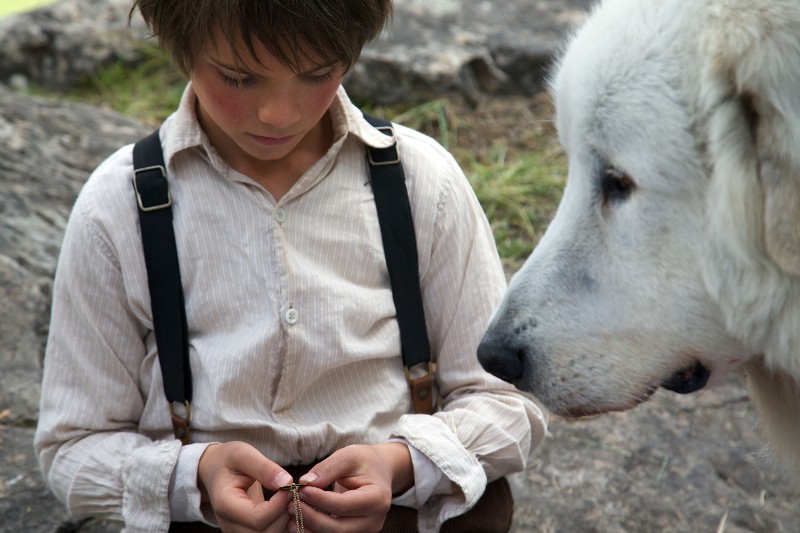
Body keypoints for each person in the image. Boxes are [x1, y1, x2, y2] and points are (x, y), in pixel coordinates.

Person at [34, 1, 548, 532]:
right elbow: (73, 448)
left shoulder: (421, 182)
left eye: (317, 74)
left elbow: (507, 404)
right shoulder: (119, 207)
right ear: (181, 44)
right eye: (238, 78)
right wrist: (196, 476)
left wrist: (399, 465)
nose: (278, 114)